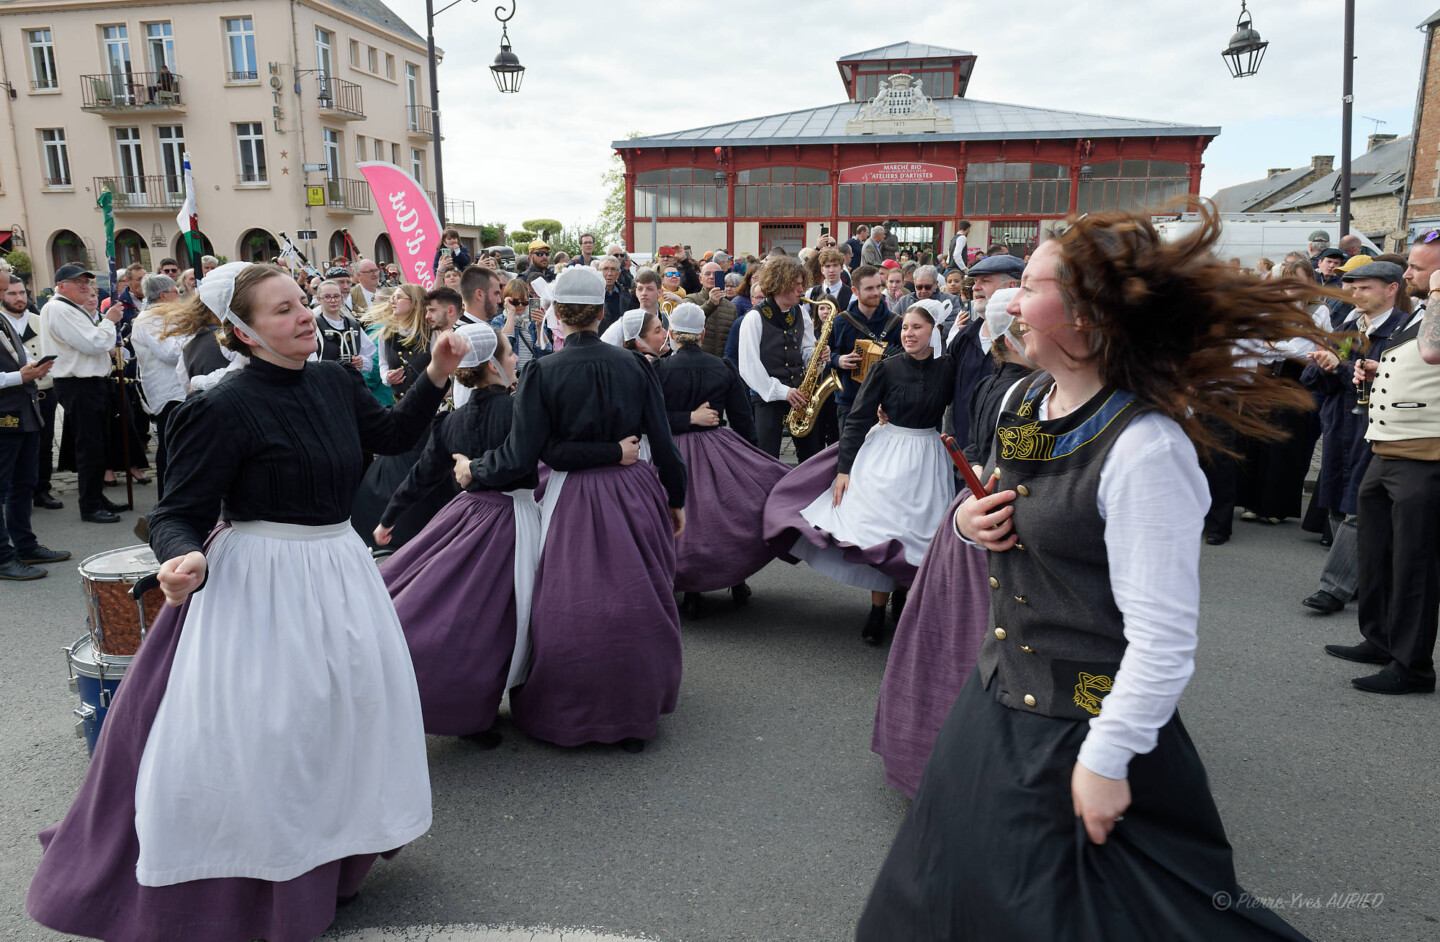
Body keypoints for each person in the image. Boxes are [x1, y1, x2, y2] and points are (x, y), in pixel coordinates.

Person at [856, 210, 1324, 942]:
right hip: (996, 703)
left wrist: (1106, 763)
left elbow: (1164, 642)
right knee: (930, 901)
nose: (1007, 301)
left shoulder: (1147, 448)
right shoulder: (1021, 399)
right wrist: (964, 523)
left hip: (1086, 727)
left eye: (1030, 285)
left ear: (1087, 315)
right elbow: (991, 489)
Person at [28, 261, 465, 941]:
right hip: (261, 585)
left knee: (347, 721)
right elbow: (178, 510)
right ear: (242, 331)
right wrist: (180, 557)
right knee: (273, 738)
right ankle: (260, 878)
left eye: (300, 303)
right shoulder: (218, 406)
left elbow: (391, 439)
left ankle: (334, 856)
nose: (302, 318)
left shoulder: (333, 380)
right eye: (282, 310)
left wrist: (437, 373)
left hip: (342, 570)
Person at [456, 265, 686, 753]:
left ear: (557, 314)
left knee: (570, 606)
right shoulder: (638, 366)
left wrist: (474, 469)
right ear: (603, 312)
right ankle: (632, 712)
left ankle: (570, 709)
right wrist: (677, 496)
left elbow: (523, 455)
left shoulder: (542, 370)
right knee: (639, 600)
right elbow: (664, 444)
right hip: (634, 490)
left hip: (572, 497)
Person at [765, 302, 956, 644]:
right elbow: (858, 418)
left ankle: (902, 599)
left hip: (929, 457)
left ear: (934, 332)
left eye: (917, 328)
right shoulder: (886, 368)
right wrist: (844, 470)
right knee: (881, 535)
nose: (908, 334)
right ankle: (876, 611)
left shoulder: (948, 369)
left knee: (918, 536)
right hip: (889, 455)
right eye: (905, 327)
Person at [1324, 234, 1440, 694]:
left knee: (1413, 564)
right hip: (1387, 448)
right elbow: (1418, 359)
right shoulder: (1424, 313)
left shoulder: (1436, 306)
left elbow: (1433, 351)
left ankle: (1412, 667)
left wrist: (1439, 289)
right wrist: (1377, 369)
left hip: (1424, 455)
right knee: (1377, 554)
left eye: (1417, 268)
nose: (1407, 275)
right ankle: (1381, 639)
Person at [654, 302, 781, 618]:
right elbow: (742, 419)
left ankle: (691, 589)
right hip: (717, 447)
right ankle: (736, 579)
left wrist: (685, 419)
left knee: (682, 518)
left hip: (673, 450)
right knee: (727, 514)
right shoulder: (722, 367)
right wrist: (752, 460)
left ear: (671, 334)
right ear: (703, 334)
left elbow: (652, 420)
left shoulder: (659, 369)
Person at [1298, 260, 1405, 614]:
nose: (1355, 293)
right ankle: (1359, 577)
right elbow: (1314, 381)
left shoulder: (1403, 331)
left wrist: (1339, 367)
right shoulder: (1347, 325)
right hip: (1339, 425)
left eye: (1365, 287)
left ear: (1391, 289)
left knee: (1360, 505)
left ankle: (1334, 587)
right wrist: (1322, 364)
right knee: (1335, 499)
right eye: (1352, 287)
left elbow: (1388, 382)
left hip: (1376, 428)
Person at [40, 265, 128, 523]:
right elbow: (94, 343)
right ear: (60, 285)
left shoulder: (72, 309)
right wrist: (109, 322)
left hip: (90, 383)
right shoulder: (59, 309)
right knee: (90, 447)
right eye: (77, 281)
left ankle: (96, 497)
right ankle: (89, 505)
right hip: (78, 384)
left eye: (87, 281)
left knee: (99, 444)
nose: (85, 286)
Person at [0, 274, 68, 580]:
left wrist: (32, 369)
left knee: (24, 484)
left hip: (23, 410)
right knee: (3, 488)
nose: (11, 293)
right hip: (4, 414)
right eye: (4, 288)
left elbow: (19, 358)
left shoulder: (5, 320)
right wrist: (21, 376)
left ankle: (25, 545)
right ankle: (3, 558)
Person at [737, 256, 828, 461]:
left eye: (801, 284)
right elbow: (748, 367)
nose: (801, 290)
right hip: (768, 398)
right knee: (767, 457)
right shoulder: (754, 317)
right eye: (796, 285)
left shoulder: (800, 313)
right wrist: (781, 391)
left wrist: (818, 356)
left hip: (801, 395)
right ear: (780, 284)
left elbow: (805, 351)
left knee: (811, 454)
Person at [946, 253, 1020, 451]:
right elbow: (942, 387)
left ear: (1011, 287)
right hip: (963, 457)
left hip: (1005, 459)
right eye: (975, 281)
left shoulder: (1027, 343)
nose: (975, 288)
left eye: (985, 281)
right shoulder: (963, 338)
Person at [129, 274, 186, 497]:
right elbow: (170, 353)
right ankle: (167, 499)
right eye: (176, 292)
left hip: (180, 389)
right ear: (163, 295)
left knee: (182, 446)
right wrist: (194, 334)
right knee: (170, 446)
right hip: (167, 392)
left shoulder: (167, 315)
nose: (180, 296)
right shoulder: (150, 319)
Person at [827, 266, 897, 430]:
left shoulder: (896, 323)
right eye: (869, 288)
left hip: (886, 403)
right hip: (850, 402)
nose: (876, 292)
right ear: (855, 290)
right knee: (850, 454)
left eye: (879, 287)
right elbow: (824, 356)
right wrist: (838, 360)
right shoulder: (841, 321)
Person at [312, 279, 371, 368]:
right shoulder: (314, 326)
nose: (333, 300)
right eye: (327, 297)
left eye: (336, 296)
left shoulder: (353, 325)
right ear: (319, 299)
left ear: (341, 297)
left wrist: (361, 361)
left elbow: (369, 354)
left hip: (351, 378)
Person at [696, 260, 740, 357]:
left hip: (722, 362)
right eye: (707, 274)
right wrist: (710, 303)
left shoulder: (731, 307)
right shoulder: (691, 299)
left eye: (716, 274)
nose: (712, 277)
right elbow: (691, 321)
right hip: (698, 360)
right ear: (700, 279)